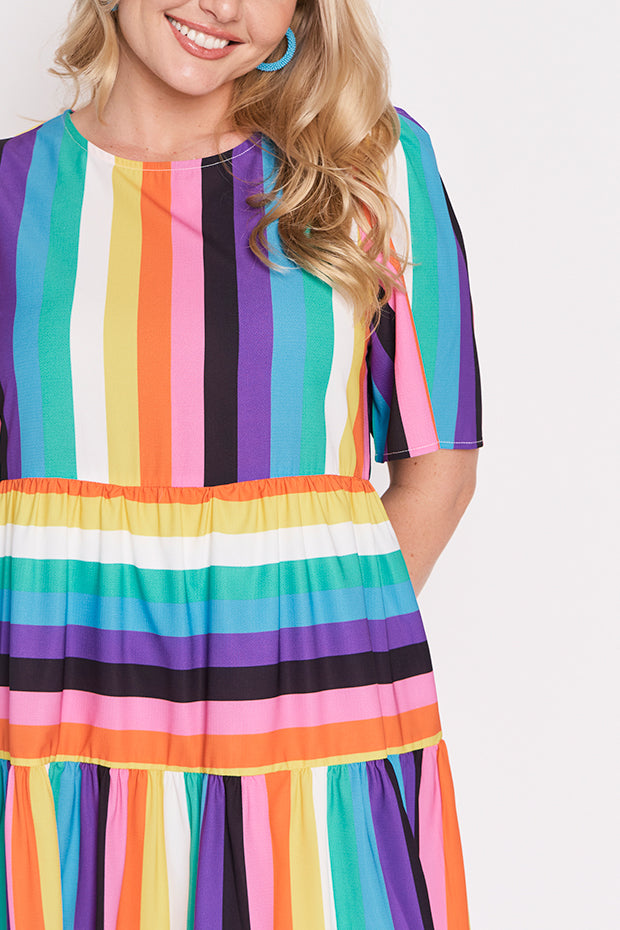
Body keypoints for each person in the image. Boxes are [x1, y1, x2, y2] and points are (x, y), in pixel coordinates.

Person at [0, 0, 482, 926]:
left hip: (309, 748)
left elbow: (441, 468)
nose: (222, 7)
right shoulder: (11, 198)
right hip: (60, 752)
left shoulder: (368, 167)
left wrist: (303, 658)